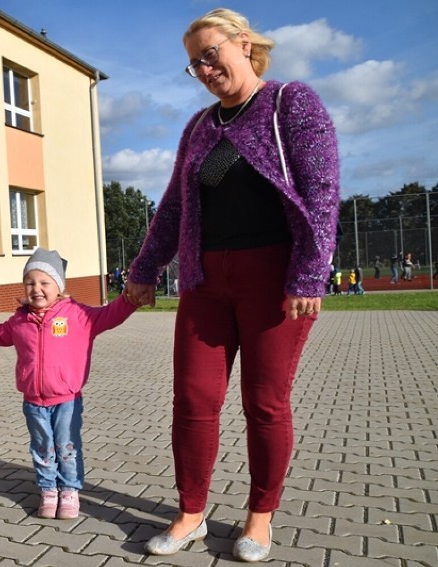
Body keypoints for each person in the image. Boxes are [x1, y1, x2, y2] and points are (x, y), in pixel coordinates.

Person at [124, 8, 339, 562]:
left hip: (275, 280)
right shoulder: (198, 128)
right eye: (194, 63)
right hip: (203, 280)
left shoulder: (291, 103)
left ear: (243, 43)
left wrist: (311, 272)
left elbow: (321, 191)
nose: (203, 67)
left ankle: (260, 517)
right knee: (193, 401)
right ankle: (191, 512)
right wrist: (146, 269)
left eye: (210, 53)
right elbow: (173, 206)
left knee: (265, 404)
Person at [0, 248, 136, 519]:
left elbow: (111, 315)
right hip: (33, 401)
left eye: (45, 282)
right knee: (43, 447)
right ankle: (48, 489)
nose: (37, 289)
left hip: (67, 399)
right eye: (30, 283)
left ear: (59, 287)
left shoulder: (78, 315)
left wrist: (130, 300)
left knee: (66, 446)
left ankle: (69, 489)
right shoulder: (20, 319)